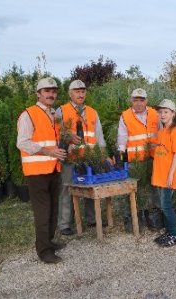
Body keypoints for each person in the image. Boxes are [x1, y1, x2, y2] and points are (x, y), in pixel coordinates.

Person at [17, 77, 67, 264]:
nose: (51, 94)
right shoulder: (28, 115)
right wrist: (48, 151)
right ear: (38, 94)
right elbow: (22, 142)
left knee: (53, 209)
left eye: (54, 91)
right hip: (37, 172)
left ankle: (49, 241)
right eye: (47, 91)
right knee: (43, 211)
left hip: (53, 168)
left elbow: (53, 140)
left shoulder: (54, 114)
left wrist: (69, 140)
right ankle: (44, 251)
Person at [56, 79, 107, 236]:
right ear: (70, 93)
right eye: (77, 91)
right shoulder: (61, 111)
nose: (80, 94)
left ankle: (92, 219)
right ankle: (64, 224)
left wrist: (104, 155)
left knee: (91, 188)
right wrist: (68, 136)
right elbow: (55, 135)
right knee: (67, 189)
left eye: (83, 91)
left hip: (90, 158)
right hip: (70, 158)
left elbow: (99, 136)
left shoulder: (92, 112)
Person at [117, 88, 160, 228]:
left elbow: (162, 133)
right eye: (136, 100)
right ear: (131, 101)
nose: (139, 103)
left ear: (146, 101)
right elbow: (122, 137)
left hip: (153, 159)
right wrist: (120, 153)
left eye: (142, 100)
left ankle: (152, 218)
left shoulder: (155, 113)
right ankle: (134, 220)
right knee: (134, 191)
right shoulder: (125, 116)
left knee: (152, 189)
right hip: (134, 161)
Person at [152, 99, 176, 247]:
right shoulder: (162, 131)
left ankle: (175, 235)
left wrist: (171, 174)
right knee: (163, 205)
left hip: (168, 176)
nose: (162, 114)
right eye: (160, 112)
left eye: (166, 112)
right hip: (159, 175)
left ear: (173, 114)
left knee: (166, 206)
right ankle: (169, 231)